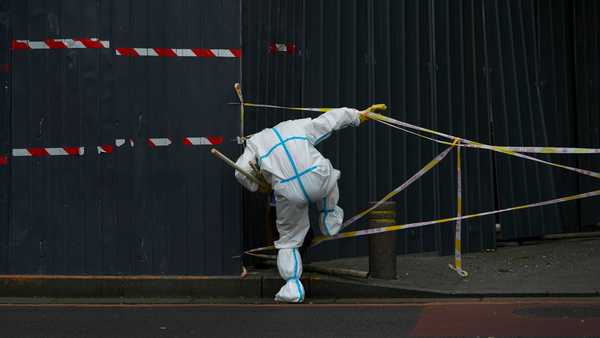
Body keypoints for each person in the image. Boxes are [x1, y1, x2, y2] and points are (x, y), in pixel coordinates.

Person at [235, 106, 381, 303]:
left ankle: (292, 286)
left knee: (289, 240)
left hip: (288, 191)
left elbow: (240, 170)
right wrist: (358, 116)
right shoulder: (296, 126)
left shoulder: (254, 143)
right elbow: (329, 121)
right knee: (330, 176)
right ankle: (329, 215)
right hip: (318, 177)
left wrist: (256, 185)